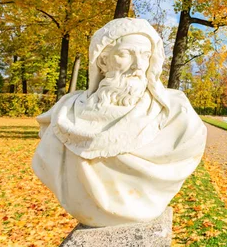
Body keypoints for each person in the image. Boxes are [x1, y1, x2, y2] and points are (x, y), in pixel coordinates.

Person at [32, 18, 207, 227]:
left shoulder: (179, 115)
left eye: (146, 55)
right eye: (126, 54)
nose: (139, 65)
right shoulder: (64, 115)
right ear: (103, 61)